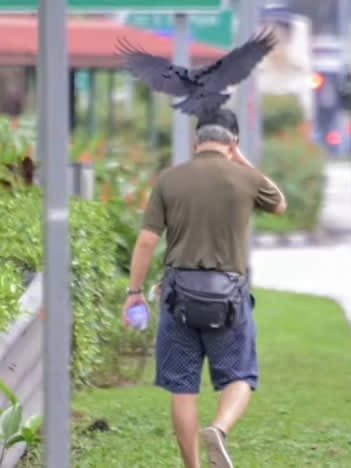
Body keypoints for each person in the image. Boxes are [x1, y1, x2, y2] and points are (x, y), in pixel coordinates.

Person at [121, 108, 287, 468]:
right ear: (233, 143)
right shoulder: (245, 179)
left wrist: (134, 292)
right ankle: (220, 429)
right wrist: (241, 159)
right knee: (241, 375)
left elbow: (148, 240)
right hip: (229, 297)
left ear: (195, 142)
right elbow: (279, 203)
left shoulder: (170, 180)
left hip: (178, 296)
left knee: (183, 387)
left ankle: (193, 467)